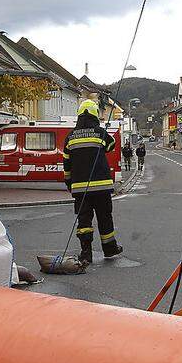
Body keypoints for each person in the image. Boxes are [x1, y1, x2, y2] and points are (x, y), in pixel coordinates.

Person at [64, 99, 122, 264]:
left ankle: (86, 253)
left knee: (84, 220)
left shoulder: (71, 136)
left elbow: (66, 163)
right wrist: (102, 134)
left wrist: (69, 183)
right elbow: (111, 145)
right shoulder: (99, 132)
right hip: (102, 187)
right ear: (95, 114)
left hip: (80, 188)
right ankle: (110, 249)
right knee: (105, 217)